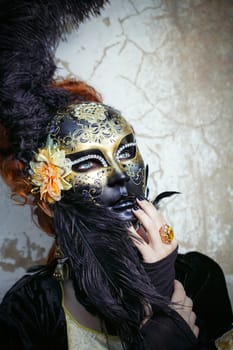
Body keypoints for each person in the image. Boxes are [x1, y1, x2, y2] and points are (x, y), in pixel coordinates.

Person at [0, 2, 232, 349]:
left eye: (125, 152)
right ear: (50, 199)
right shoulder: (31, 309)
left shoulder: (198, 279)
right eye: (89, 162)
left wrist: (162, 287)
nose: (120, 175)